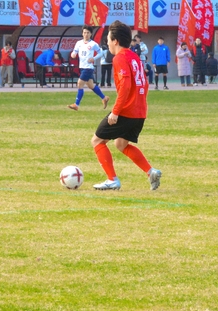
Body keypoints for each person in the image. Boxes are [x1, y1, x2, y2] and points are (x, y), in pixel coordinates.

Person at [90, 21, 161, 192]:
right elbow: (144, 84)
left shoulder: (120, 58)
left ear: (115, 41)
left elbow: (125, 86)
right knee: (121, 144)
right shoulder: (134, 57)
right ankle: (151, 172)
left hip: (126, 111)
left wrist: (115, 112)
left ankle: (112, 179)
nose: (107, 42)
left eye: (108, 39)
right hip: (139, 112)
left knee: (97, 141)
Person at [69, 27, 109, 111]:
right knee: (91, 85)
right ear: (82, 33)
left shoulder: (93, 44)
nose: (86, 34)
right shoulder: (79, 43)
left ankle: (76, 104)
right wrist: (73, 54)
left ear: (90, 34)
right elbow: (74, 52)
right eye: (84, 32)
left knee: (79, 84)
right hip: (82, 67)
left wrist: (94, 58)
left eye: (88, 33)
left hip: (88, 67)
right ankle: (104, 98)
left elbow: (100, 53)